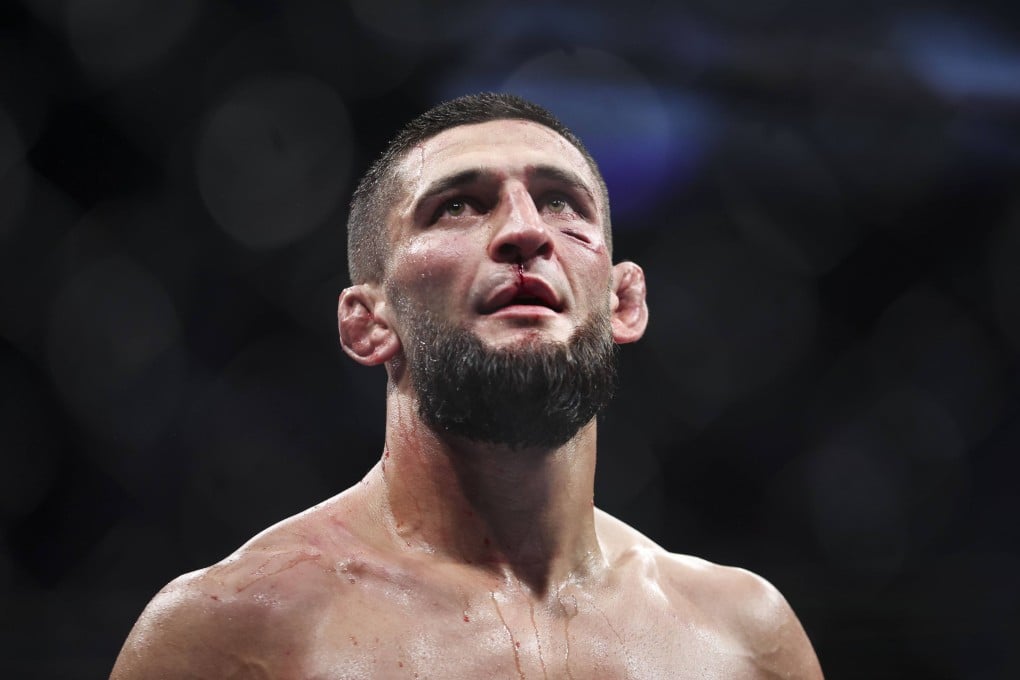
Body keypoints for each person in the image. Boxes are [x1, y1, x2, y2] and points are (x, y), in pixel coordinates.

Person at [111, 93, 824, 679]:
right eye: (457, 205)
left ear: (623, 302)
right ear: (368, 322)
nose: (525, 232)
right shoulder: (234, 628)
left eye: (561, 202)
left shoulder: (741, 637)